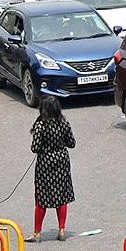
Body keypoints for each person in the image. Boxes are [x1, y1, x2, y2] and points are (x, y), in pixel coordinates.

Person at [29, 96, 75, 242]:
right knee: (61, 196)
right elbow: (72, 143)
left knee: (41, 198)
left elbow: (35, 148)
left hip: (45, 164)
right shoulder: (64, 123)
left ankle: (37, 233)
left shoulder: (41, 125)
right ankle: (61, 230)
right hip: (61, 161)